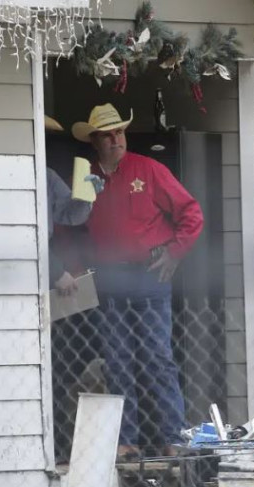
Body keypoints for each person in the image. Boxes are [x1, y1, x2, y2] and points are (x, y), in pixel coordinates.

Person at [72, 104, 204, 459]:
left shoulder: (149, 169)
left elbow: (191, 212)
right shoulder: (84, 178)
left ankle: (173, 437)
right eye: (107, 134)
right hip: (109, 277)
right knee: (117, 360)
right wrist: (72, 267)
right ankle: (125, 441)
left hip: (149, 274)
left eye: (119, 132)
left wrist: (175, 252)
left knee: (157, 357)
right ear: (95, 140)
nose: (116, 139)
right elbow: (72, 229)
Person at [44, 115, 103, 294]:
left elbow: (71, 216)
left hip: (41, 261)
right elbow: (22, 236)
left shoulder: (47, 175)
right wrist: (56, 271)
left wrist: (87, 196)